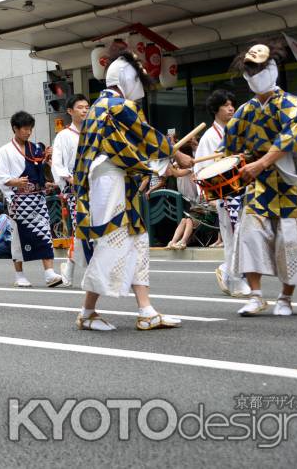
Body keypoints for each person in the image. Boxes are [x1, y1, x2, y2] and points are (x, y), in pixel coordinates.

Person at [73, 50, 192, 331]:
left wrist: (164, 163)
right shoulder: (115, 106)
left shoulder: (101, 106)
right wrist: (175, 155)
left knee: (137, 241)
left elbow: (133, 146)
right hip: (110, 181)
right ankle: (87, 312)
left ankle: (146, 310)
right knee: (114, 243)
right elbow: (147, 137)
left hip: (117, 179)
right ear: (126, 77)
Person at [224, 43, 297, 317]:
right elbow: (231, 145)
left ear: (271, 70)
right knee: (249, 233)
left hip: (289, 177)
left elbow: (292, 137)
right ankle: (256, 295)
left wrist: (260, 163)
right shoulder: (245, 111)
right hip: (258, 182)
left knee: (291, 239)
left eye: (259, 70)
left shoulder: (291, 103)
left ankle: (285, 298)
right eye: (250, 71)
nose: (254, 76)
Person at [0, 112, 64, 288]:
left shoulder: (35, 148)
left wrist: (47, 173)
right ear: (15, 128)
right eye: (25, 128)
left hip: (37, 198)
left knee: (44, 233)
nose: (28, 132)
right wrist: (14, 181)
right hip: (18, 199)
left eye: (30, 128)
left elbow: (41, 175)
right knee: (18, 237)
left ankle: (49, 273)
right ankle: (19, 274)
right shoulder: (5, 150)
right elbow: (0, 176)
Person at [193, 89, 252, 297]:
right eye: (226, 105)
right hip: (222, 193)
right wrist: (207, 196)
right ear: (215, 110)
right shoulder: (210, 136)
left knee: (243, 235)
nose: (231, 108)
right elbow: (199, 170)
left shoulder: (236, 131)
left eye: (232, 104)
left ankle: (228, 270)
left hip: (241, 190)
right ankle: (236, 279)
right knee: (231, 235)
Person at [50, 94, 91, 288]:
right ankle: (87, 272)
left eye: (86, 107)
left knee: (88, 231)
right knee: (83, 229)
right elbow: (57, 164)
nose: (84, 110)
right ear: (70, 111)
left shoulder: (93, 132)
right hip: (76, 188)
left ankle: (70, 269)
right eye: (80, 107)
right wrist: (69, 178)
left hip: (95, 186)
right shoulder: (63, 136)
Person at [165, 142, 198, 250]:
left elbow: (177, 174)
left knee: (188, 219)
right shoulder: (178, 165)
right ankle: (173, 242)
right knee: (184, 220)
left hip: (194, 200)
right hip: (185, 199)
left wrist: (171, 165)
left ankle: (183, 242)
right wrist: (171, 164)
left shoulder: (192, 165)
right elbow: (168, 173)